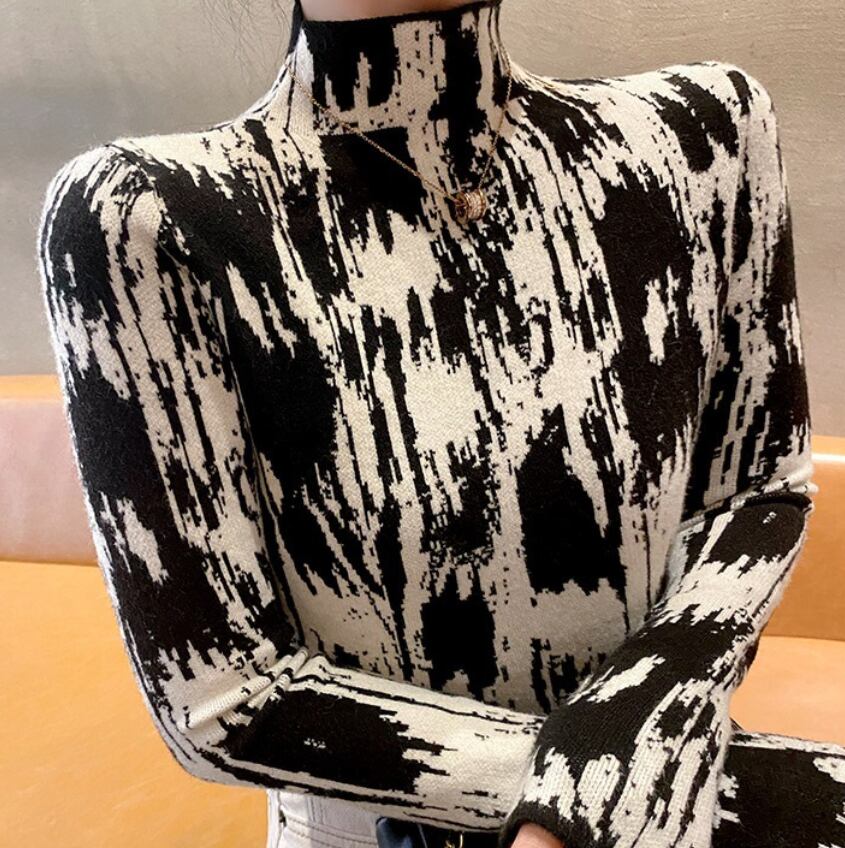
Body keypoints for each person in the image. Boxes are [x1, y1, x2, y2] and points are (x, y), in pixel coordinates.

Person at [36, 1, 845, 847]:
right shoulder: (144, 218)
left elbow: (756, 487)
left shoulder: (700, 136)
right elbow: (226, 698)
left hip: (671, 802)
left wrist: (624, 763)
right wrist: (604, 793)